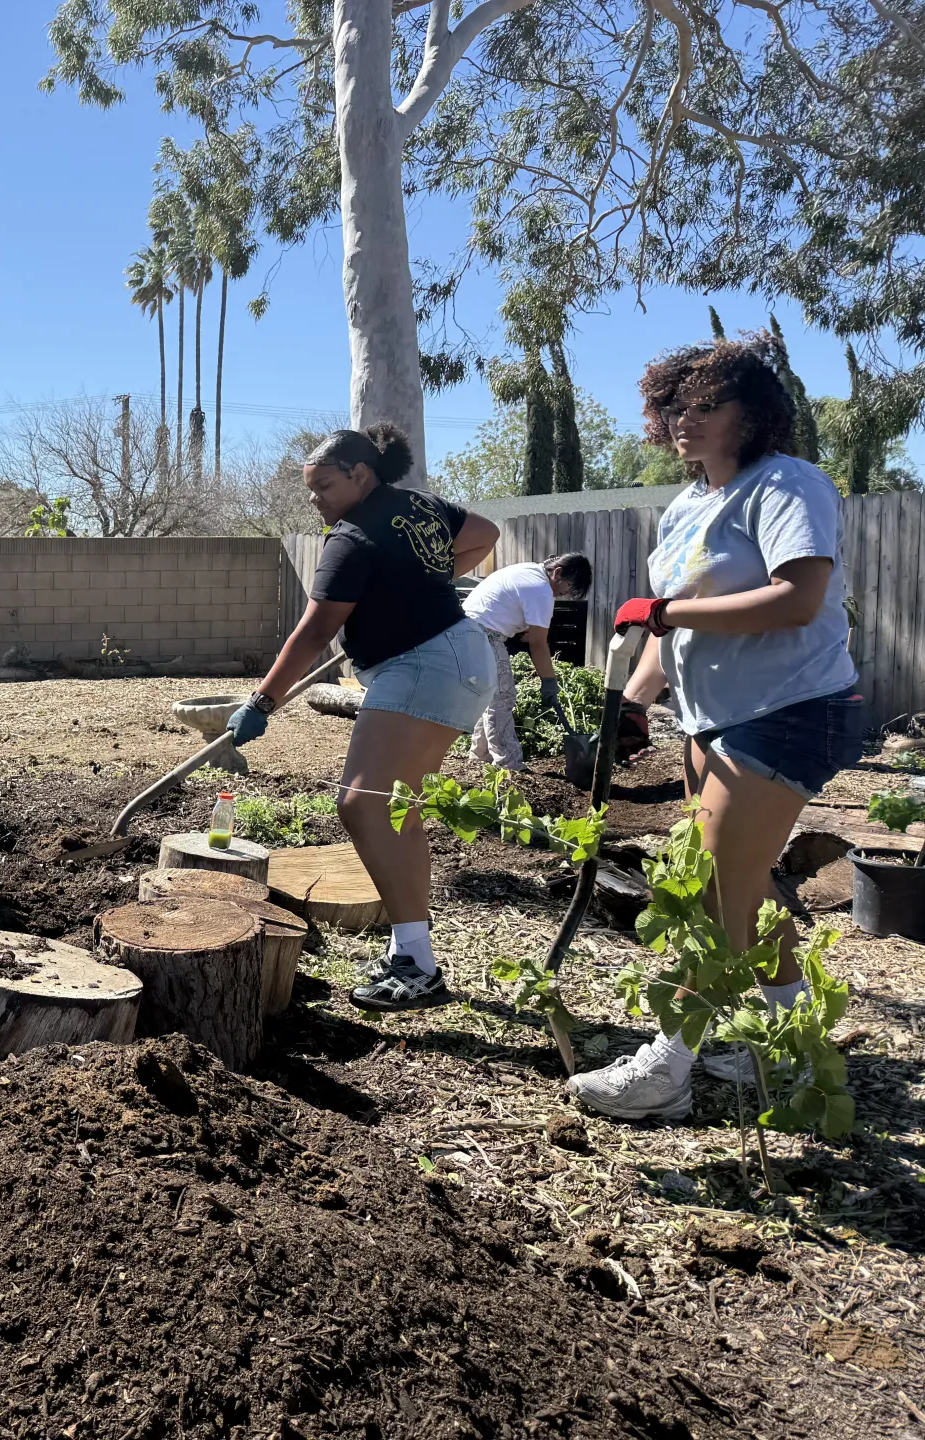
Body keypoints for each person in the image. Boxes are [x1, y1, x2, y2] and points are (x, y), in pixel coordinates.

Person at [567, 340, 863, 1122]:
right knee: (750, 886)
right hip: (710, 716)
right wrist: (630, 704)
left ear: (753, 415)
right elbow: (668, 636)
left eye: (706, 406)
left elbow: (796, 600)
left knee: (701, 890)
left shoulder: (787, 485)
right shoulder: (688, 506)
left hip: (791, 709)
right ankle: (790, 1041)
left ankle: (666, 1069)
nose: (684, 422)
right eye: (674, 407)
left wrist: (664, 610)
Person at [226, 424, 500, 1011]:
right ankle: (413, 953)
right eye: (310, 490)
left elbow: (316, 632)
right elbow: (484, 533)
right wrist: (419, 584)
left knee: (364, 802)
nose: (316, 500)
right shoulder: (416, 506)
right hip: (456, 654)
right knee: (394, 804)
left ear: (359, 475)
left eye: (324, 486)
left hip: (426, 662)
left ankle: (416, 962)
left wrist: (262, 701)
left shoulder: (352, 537)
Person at [462, 553, 594, 770]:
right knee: (503, 697)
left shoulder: (529, 570)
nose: (565, 593)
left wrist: (522, 629)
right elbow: (539, 644)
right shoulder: (541, 589)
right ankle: (509, 764)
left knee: (490, 696)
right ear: (557, 572)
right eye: (569, 586)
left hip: (466, 631)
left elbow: (511, 605)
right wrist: (549, 681)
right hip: (483, 636)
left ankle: (480, 755)